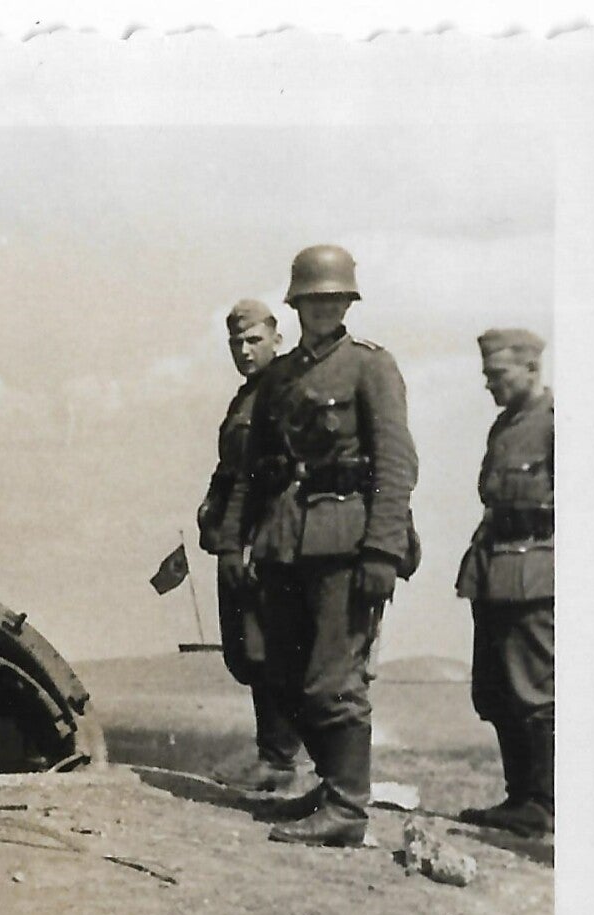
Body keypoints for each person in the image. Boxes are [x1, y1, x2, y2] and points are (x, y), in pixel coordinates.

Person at [221, 244, 420, 846]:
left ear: (348, 303)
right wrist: (234, 544)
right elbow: (254, 473)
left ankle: (348, 810)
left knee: (332, 680)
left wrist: (383, 551)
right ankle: (332, 786)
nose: (325, 308)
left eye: (336, 299)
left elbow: (396, 464)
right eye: (314, 300)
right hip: (284, 543)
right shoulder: (280, 378)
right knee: (283, 674)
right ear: (297, 305)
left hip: (346, 543)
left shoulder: (370, 367)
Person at [198, 299, 304, 791]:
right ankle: (272, 754)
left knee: (274, 648)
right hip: (239, 534)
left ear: (276, 339)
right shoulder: (246, 397)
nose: (244, 350)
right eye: (236, 343)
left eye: (253, 340)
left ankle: (282, 759)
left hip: (272, 535)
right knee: (248, 648)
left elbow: (278, 470)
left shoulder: (287, 389)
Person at [456, 328, 554, 837]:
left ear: (532, 368)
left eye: (500, 375)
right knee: (495, 691)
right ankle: (522, 799)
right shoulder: (503, 427)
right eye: (487, 376)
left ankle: (547, 803)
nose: (490, 384)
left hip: (539, 572)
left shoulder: (558, 424)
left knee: (536, 692)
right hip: (495, 571)